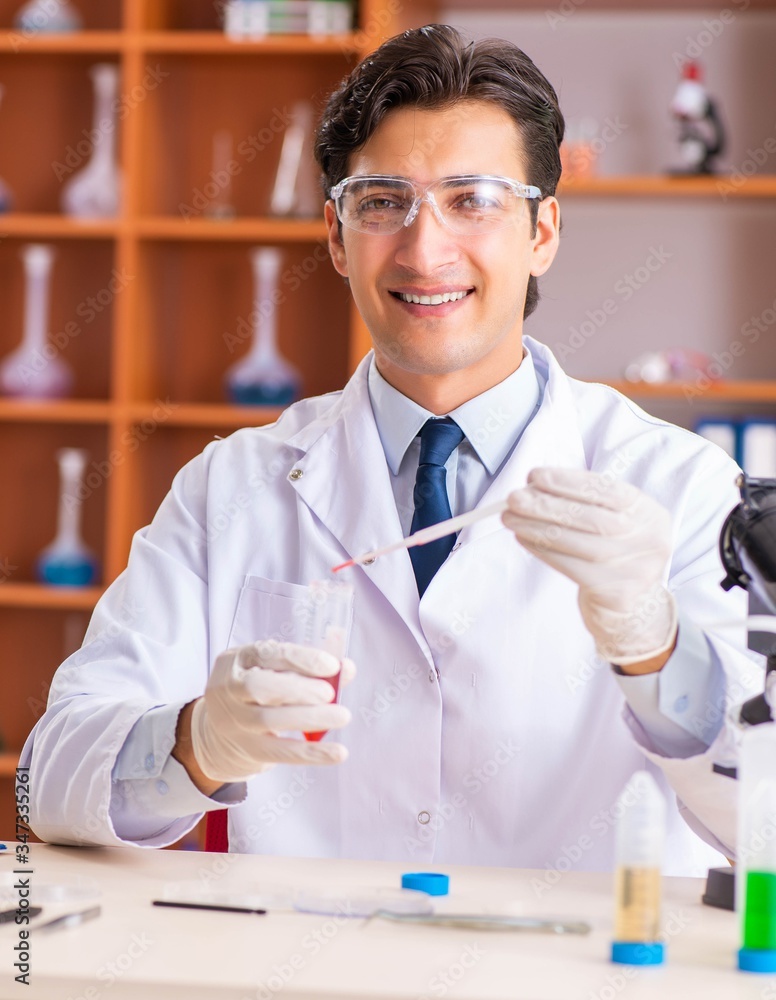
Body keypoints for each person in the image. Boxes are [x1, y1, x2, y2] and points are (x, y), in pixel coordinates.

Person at [23, 24, 759, 874]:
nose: (423, 247)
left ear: (543, 232)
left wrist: (660, 649)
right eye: (381, 202)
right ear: (337, 238)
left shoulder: (683, 485)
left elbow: (764, 815)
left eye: (473, 199)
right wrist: (196, 744)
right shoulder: (232, 484)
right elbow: (50, 782)